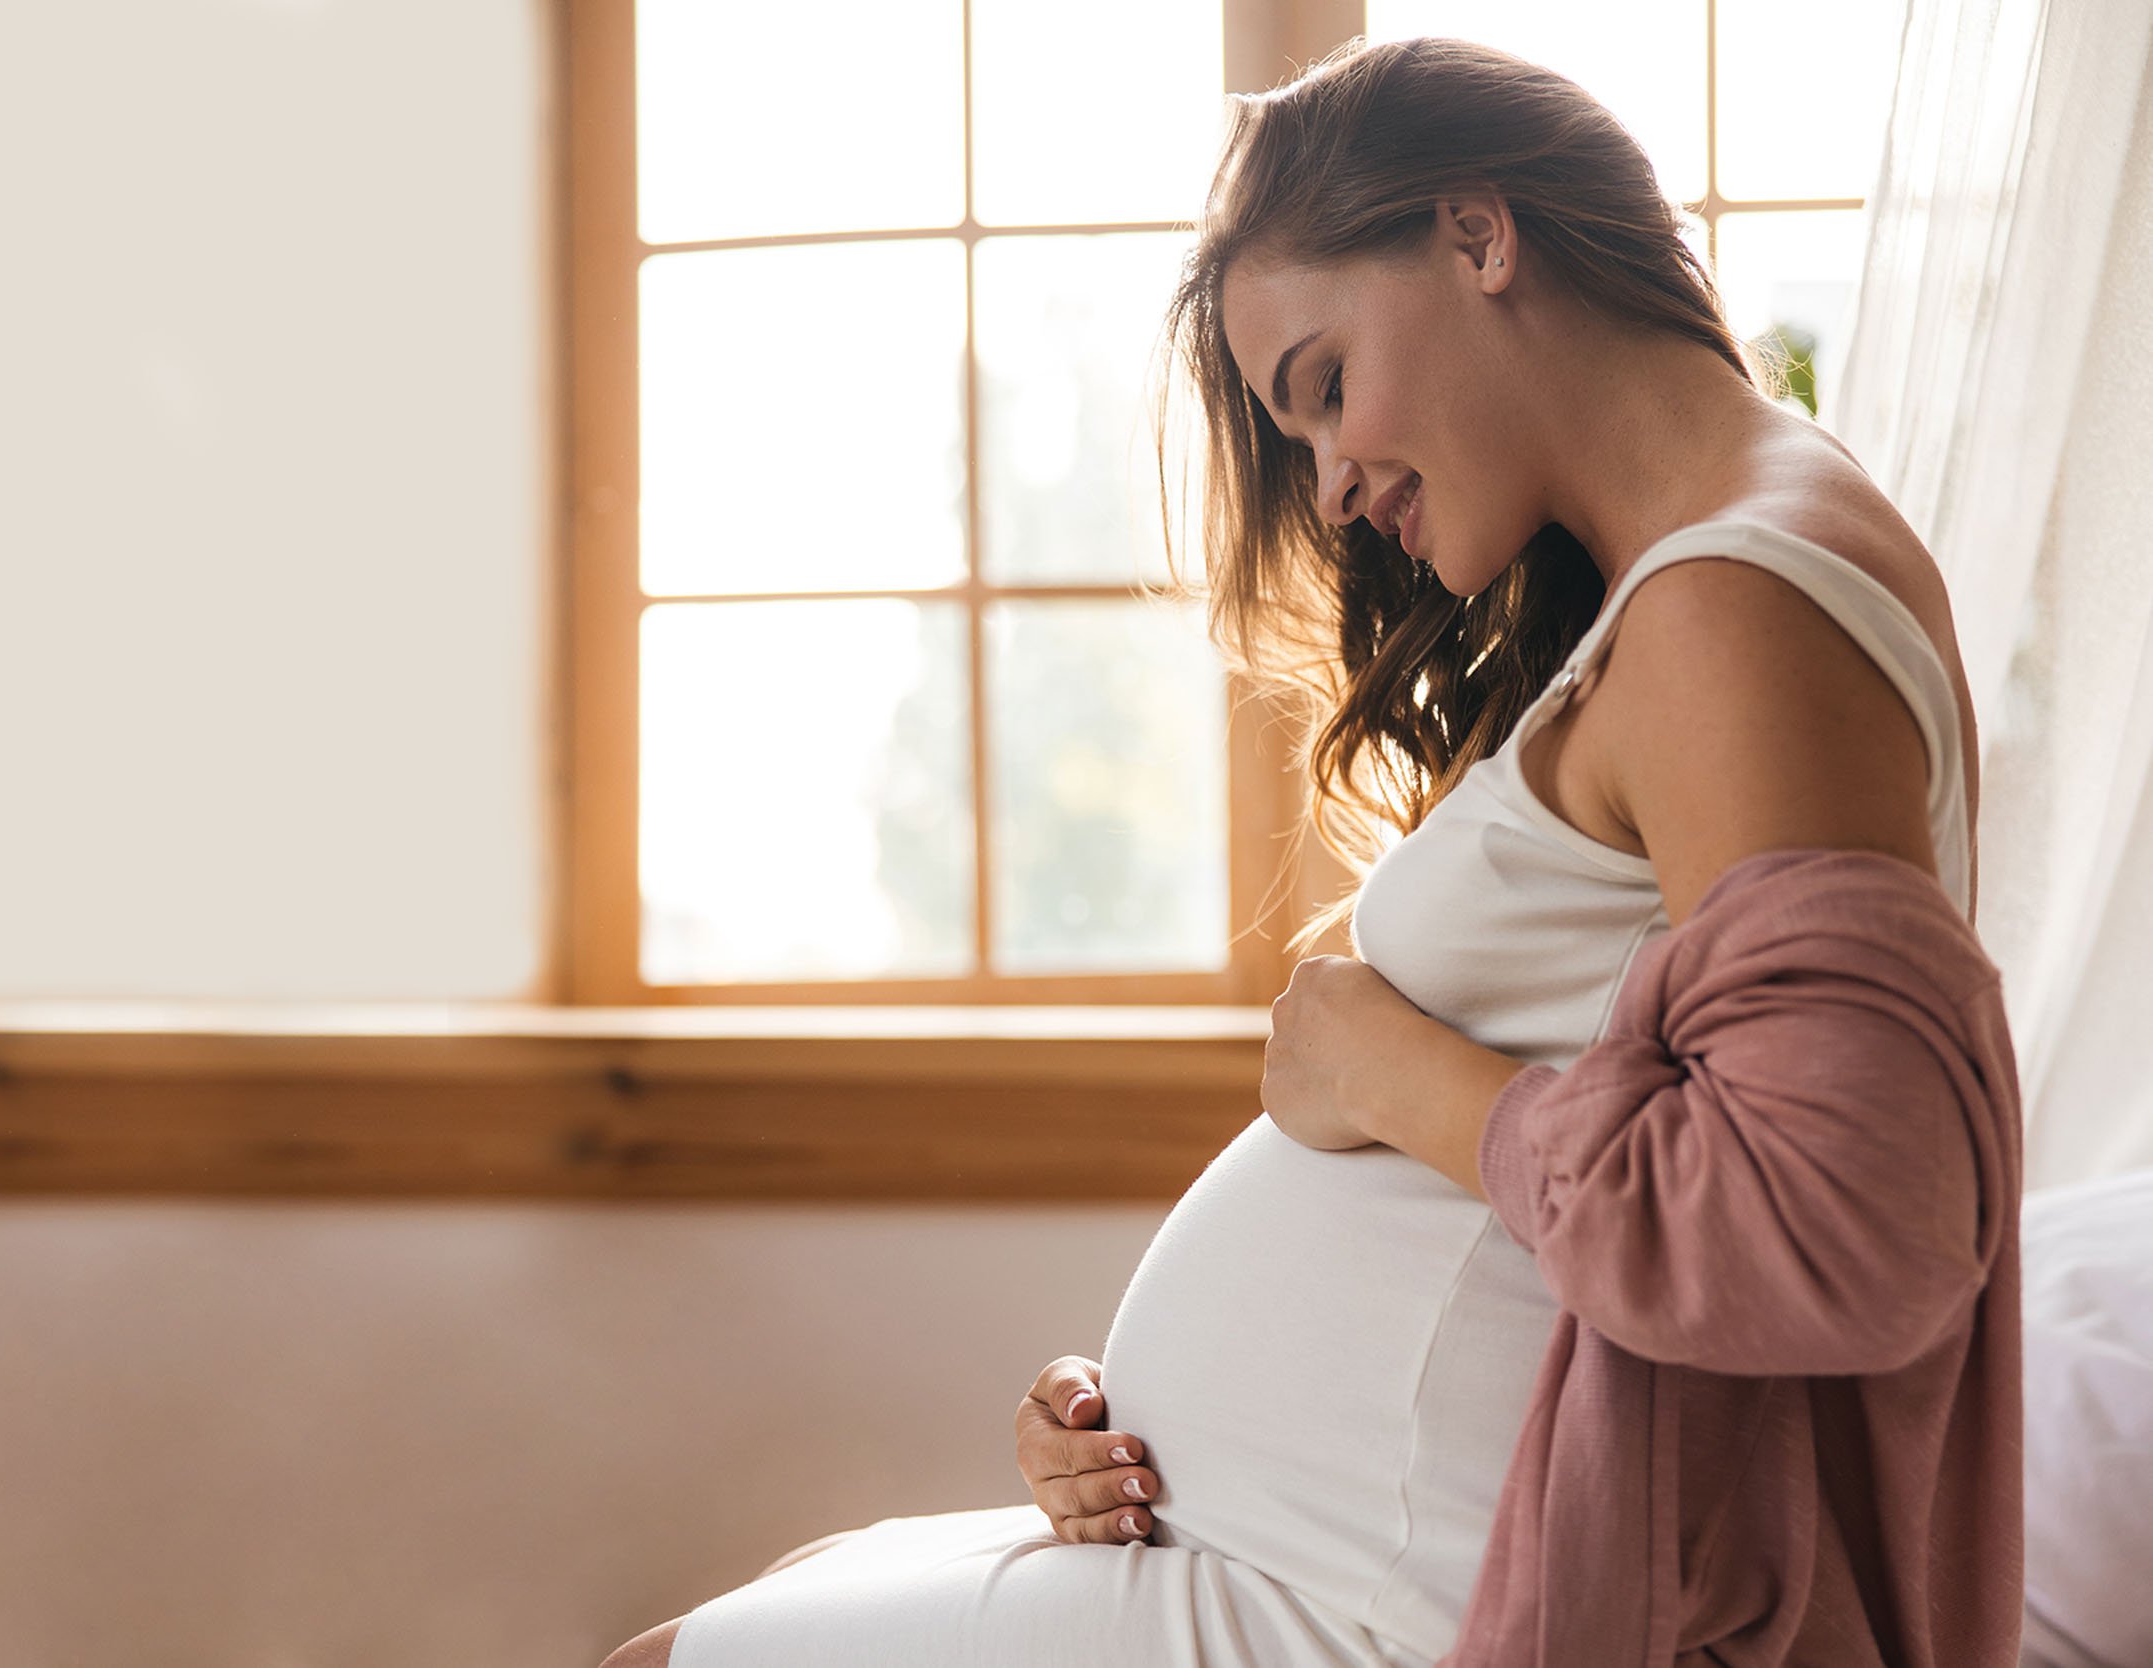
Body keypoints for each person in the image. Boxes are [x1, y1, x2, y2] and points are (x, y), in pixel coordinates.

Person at [605, 30, 2007, 1668]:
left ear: (1479, 234)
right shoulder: (1703, 586)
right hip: (1336, 1545)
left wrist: (1376, 1068)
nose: (1334, 485)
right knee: (792, 1588)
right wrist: (1159, 1420)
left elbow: (1852, 1230)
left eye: (1327, 385)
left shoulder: (1741, 608)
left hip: (1402, 1601)